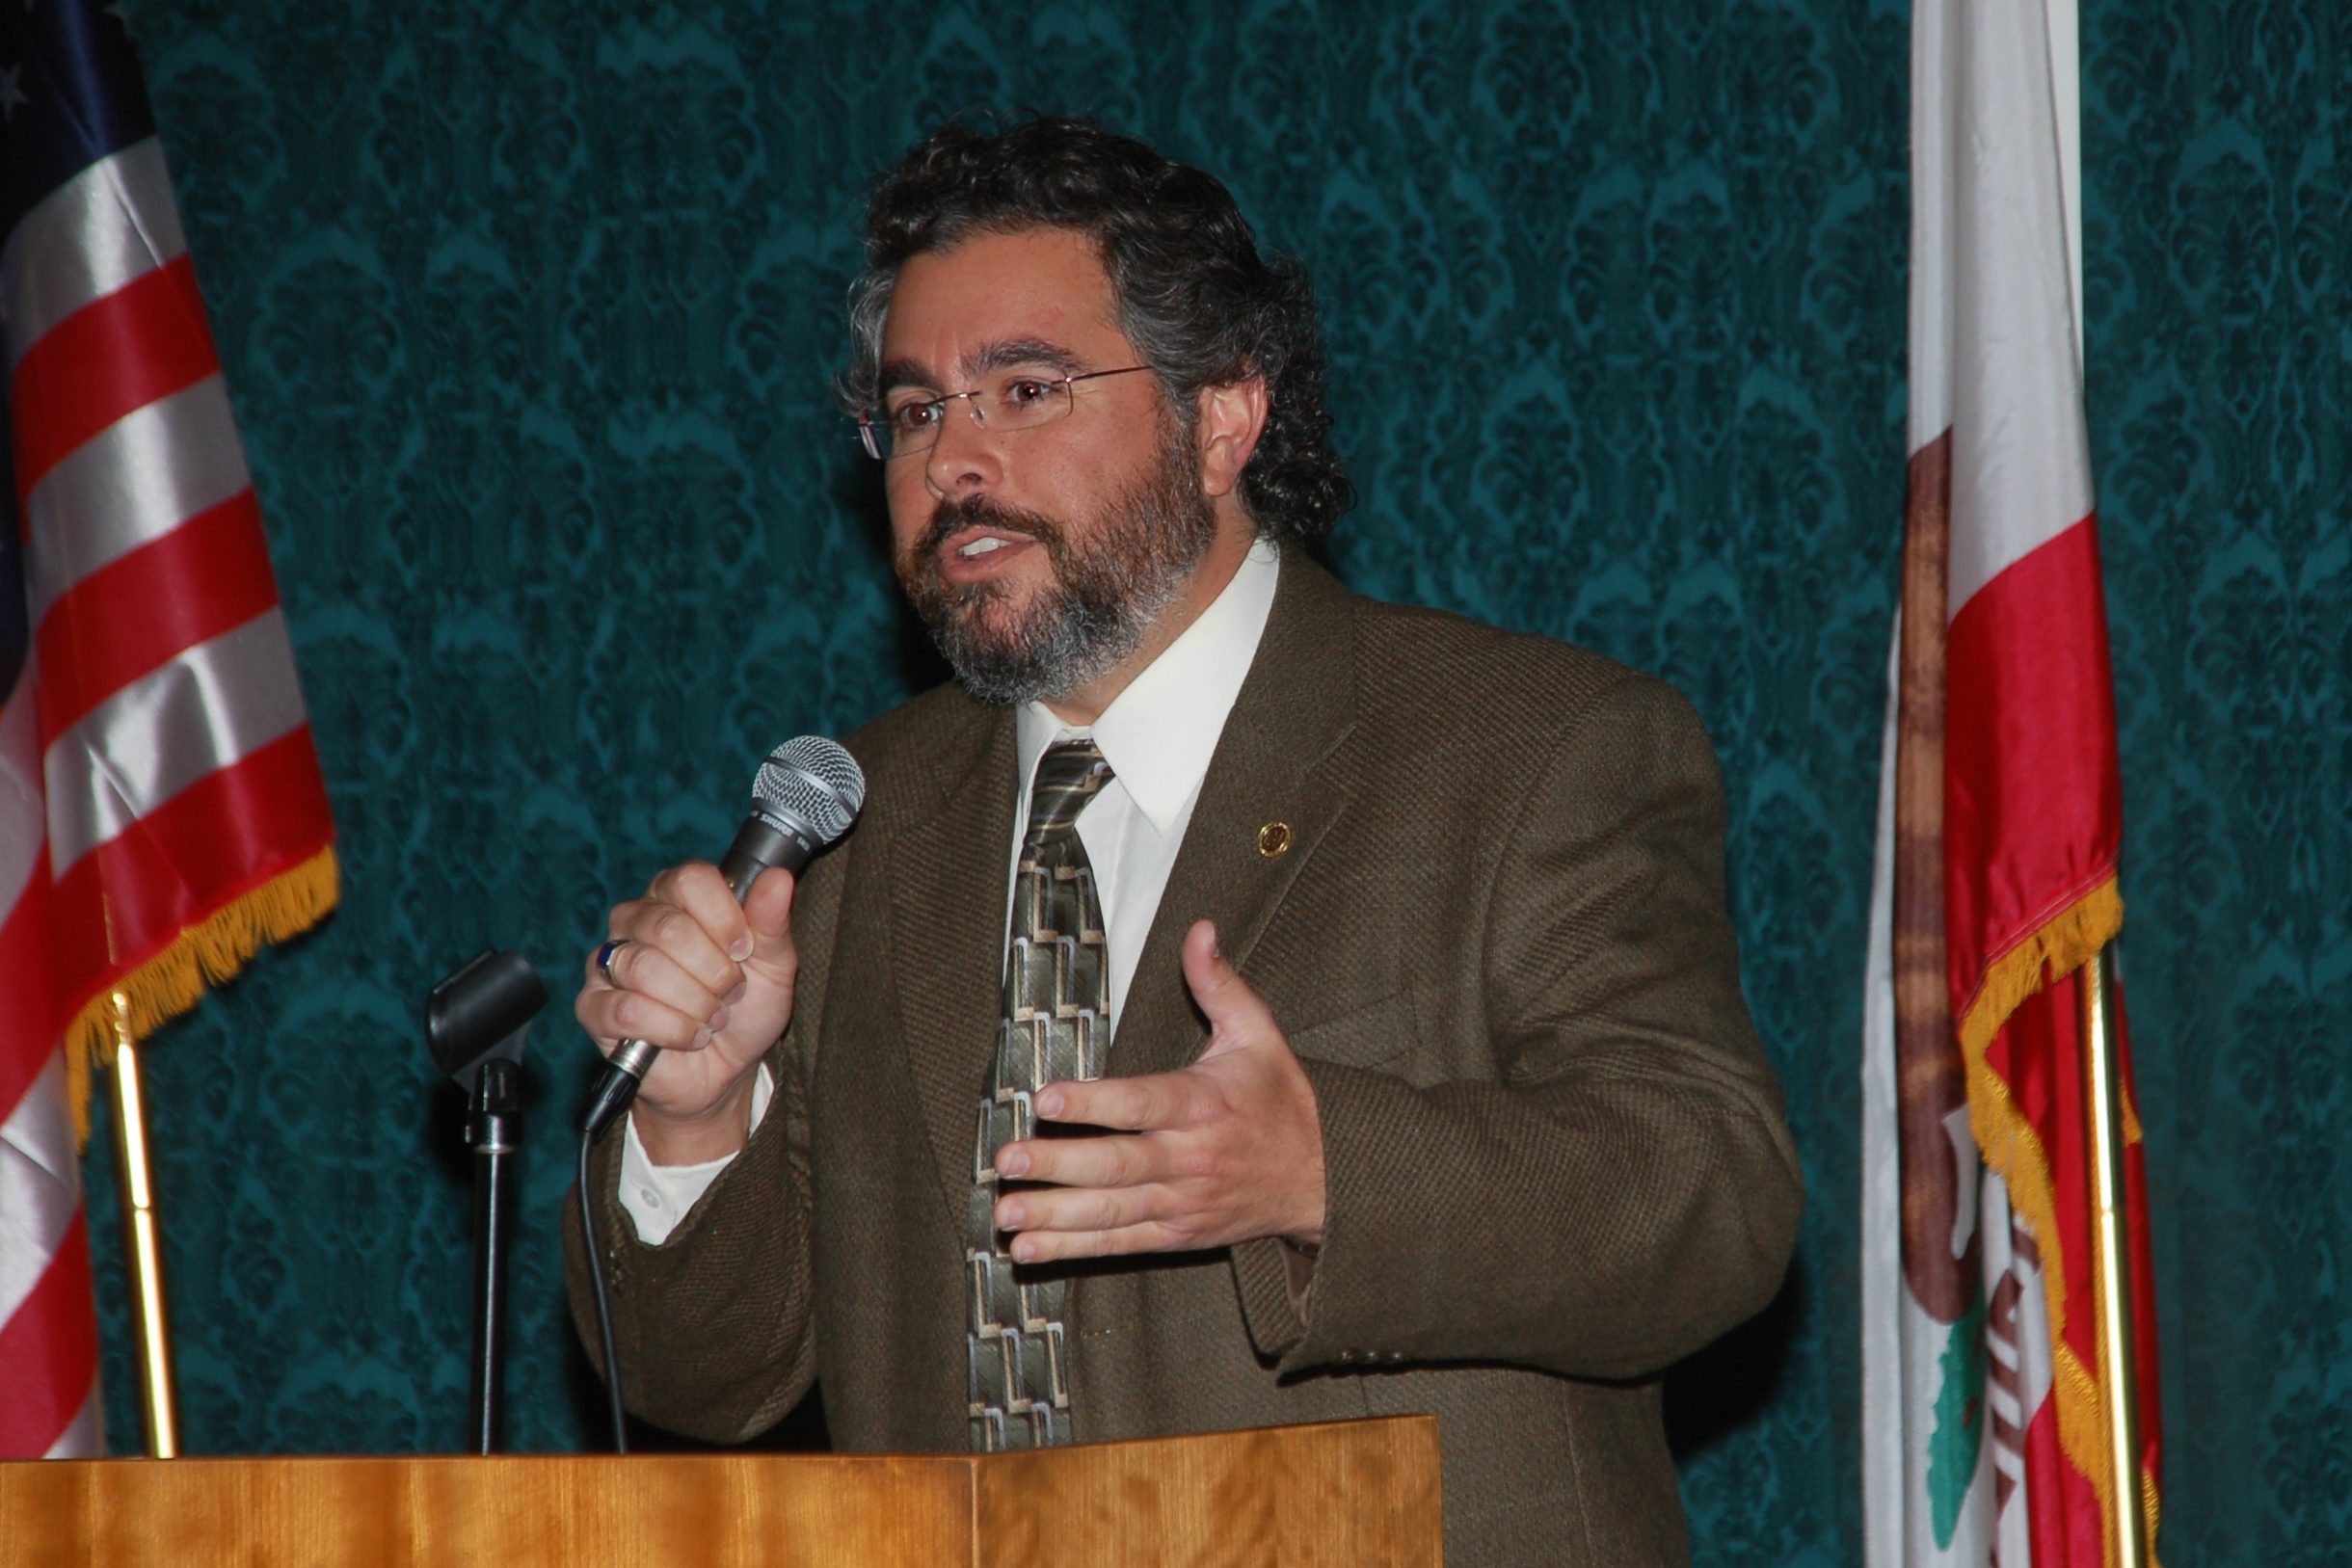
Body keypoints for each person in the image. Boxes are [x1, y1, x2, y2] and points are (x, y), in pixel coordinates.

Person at [567, 117, 1802, 1567]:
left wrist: (1322, 1170)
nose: (954, 458)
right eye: (913, 411)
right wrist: (699, 1120)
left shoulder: (1526, 749)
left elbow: (1712, 1198)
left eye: (1025, 389)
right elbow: (703, 1382)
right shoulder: (856, 830)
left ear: (1223, 418)